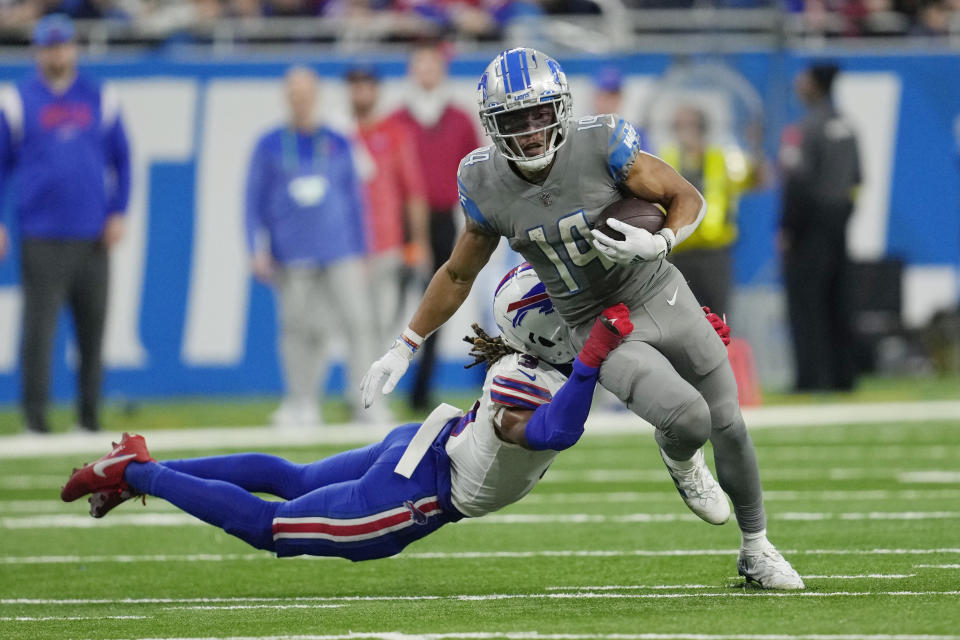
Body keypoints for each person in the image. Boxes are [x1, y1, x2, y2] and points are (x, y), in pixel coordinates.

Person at [361, 48, 803, 589]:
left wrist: (660, 239)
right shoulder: (484, 182)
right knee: (689, 419)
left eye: (538, 113)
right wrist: (404, 344)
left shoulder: (603, 143)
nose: (528, 131)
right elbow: (457, 274)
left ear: (561, 107)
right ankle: (680, 455)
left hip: (659, 290)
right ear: (492, 127)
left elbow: (683, 196)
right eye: (513, 120)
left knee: (729, 420)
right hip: (596, 322)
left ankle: (756, 548)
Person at [60, 266, 671, 561]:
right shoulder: (530, 380)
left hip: (423, 444)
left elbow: (608, 356)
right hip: (420, 491)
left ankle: (140, 463)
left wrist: (676, 342)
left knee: (292, 479)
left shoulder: (536, 361)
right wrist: (591, 355)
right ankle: (137, 471)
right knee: (271, 528)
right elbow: (555, 427)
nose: (583, 322)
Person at [0, 14, 130, 434]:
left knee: (93, 332)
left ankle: (88, 418)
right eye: (49, 46)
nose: (57, 53)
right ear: (38, 50)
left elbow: (123, 159)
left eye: (63, 45)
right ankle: (34, 419)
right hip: (41, 234)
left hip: (92, 234)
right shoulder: (18, 99)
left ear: (74, 47)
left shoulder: (99, 95)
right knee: (39, 333)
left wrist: (118, 210)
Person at [244, 66, 377, 427]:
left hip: (341, 250)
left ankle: (364, 403)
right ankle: (301, 401)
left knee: (359, 323)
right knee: (299, 329)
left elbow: (355, 199)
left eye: (306, 94)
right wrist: (256, 247)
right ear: (286, 98)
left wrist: (366, 248)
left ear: (316, 97)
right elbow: (253, 202)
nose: (300, 101)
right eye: (294, 94)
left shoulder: (337, 140)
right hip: (292, 252)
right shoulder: (269, 144)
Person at [391, 40, 482, 411]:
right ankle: (376, 382)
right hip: (400, 223)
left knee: (438, 302)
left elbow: (477, 171)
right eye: (420, 64)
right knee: (387, 305)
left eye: (432, 64)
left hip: (445, 218)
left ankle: (419, 389)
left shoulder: (458, 119)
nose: (426, 71)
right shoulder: (397, 121)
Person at [778, 63, 861, 392]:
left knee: (806, 303)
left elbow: (797, 183)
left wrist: (788, 227)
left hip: (809, 225)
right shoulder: (847, 126)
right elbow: (857, 179)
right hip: (839, 222)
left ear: (815, 85)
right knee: (838, 299)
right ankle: (844, 376)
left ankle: (812, 378)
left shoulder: (805, 128)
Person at [346, 65, 431, 348]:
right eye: (354, 86)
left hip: (386, 242)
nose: (359, 92)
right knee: (354, 324)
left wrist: (418, 242)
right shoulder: (339, 136)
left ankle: (376, 390)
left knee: (383, 320)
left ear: (376, 90)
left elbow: (413, 192)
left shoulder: (394, 134)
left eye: (365, 85)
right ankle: (356, 390)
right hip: (347, 247)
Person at [659, 104, 761, 315]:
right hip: (678, 255)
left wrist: (755, 147)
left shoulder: (723, 159)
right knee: (680, 320)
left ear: (702, 128)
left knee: (718, 319)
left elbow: (756, 179)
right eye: (678, 126)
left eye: (689, 126)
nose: (684, 132)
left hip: (715, 254)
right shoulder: (666, 159)